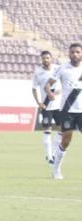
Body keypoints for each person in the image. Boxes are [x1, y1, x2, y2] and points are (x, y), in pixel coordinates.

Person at [47, 43, 82, 180]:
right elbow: (48, 85)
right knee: (66, 141)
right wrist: (49, 92)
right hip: (67, 111)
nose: (75, 54)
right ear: (69, 53)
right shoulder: (62, 68)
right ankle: (56, 169)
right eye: (72, 52)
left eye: (78, 52)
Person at [31, 51, 61, 165]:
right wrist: (39, 102)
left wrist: (62, 91)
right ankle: (49, 157)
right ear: (41, 59)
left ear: (51, 58)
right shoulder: (38, 72)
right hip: (46, 106)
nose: (46, 60)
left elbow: (66, 81)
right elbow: (34, 89)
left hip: (59, 106)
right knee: (47, 131)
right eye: (44, 58)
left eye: (48, 58)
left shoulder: (58, 69)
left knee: (61, 130)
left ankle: (52, 152)